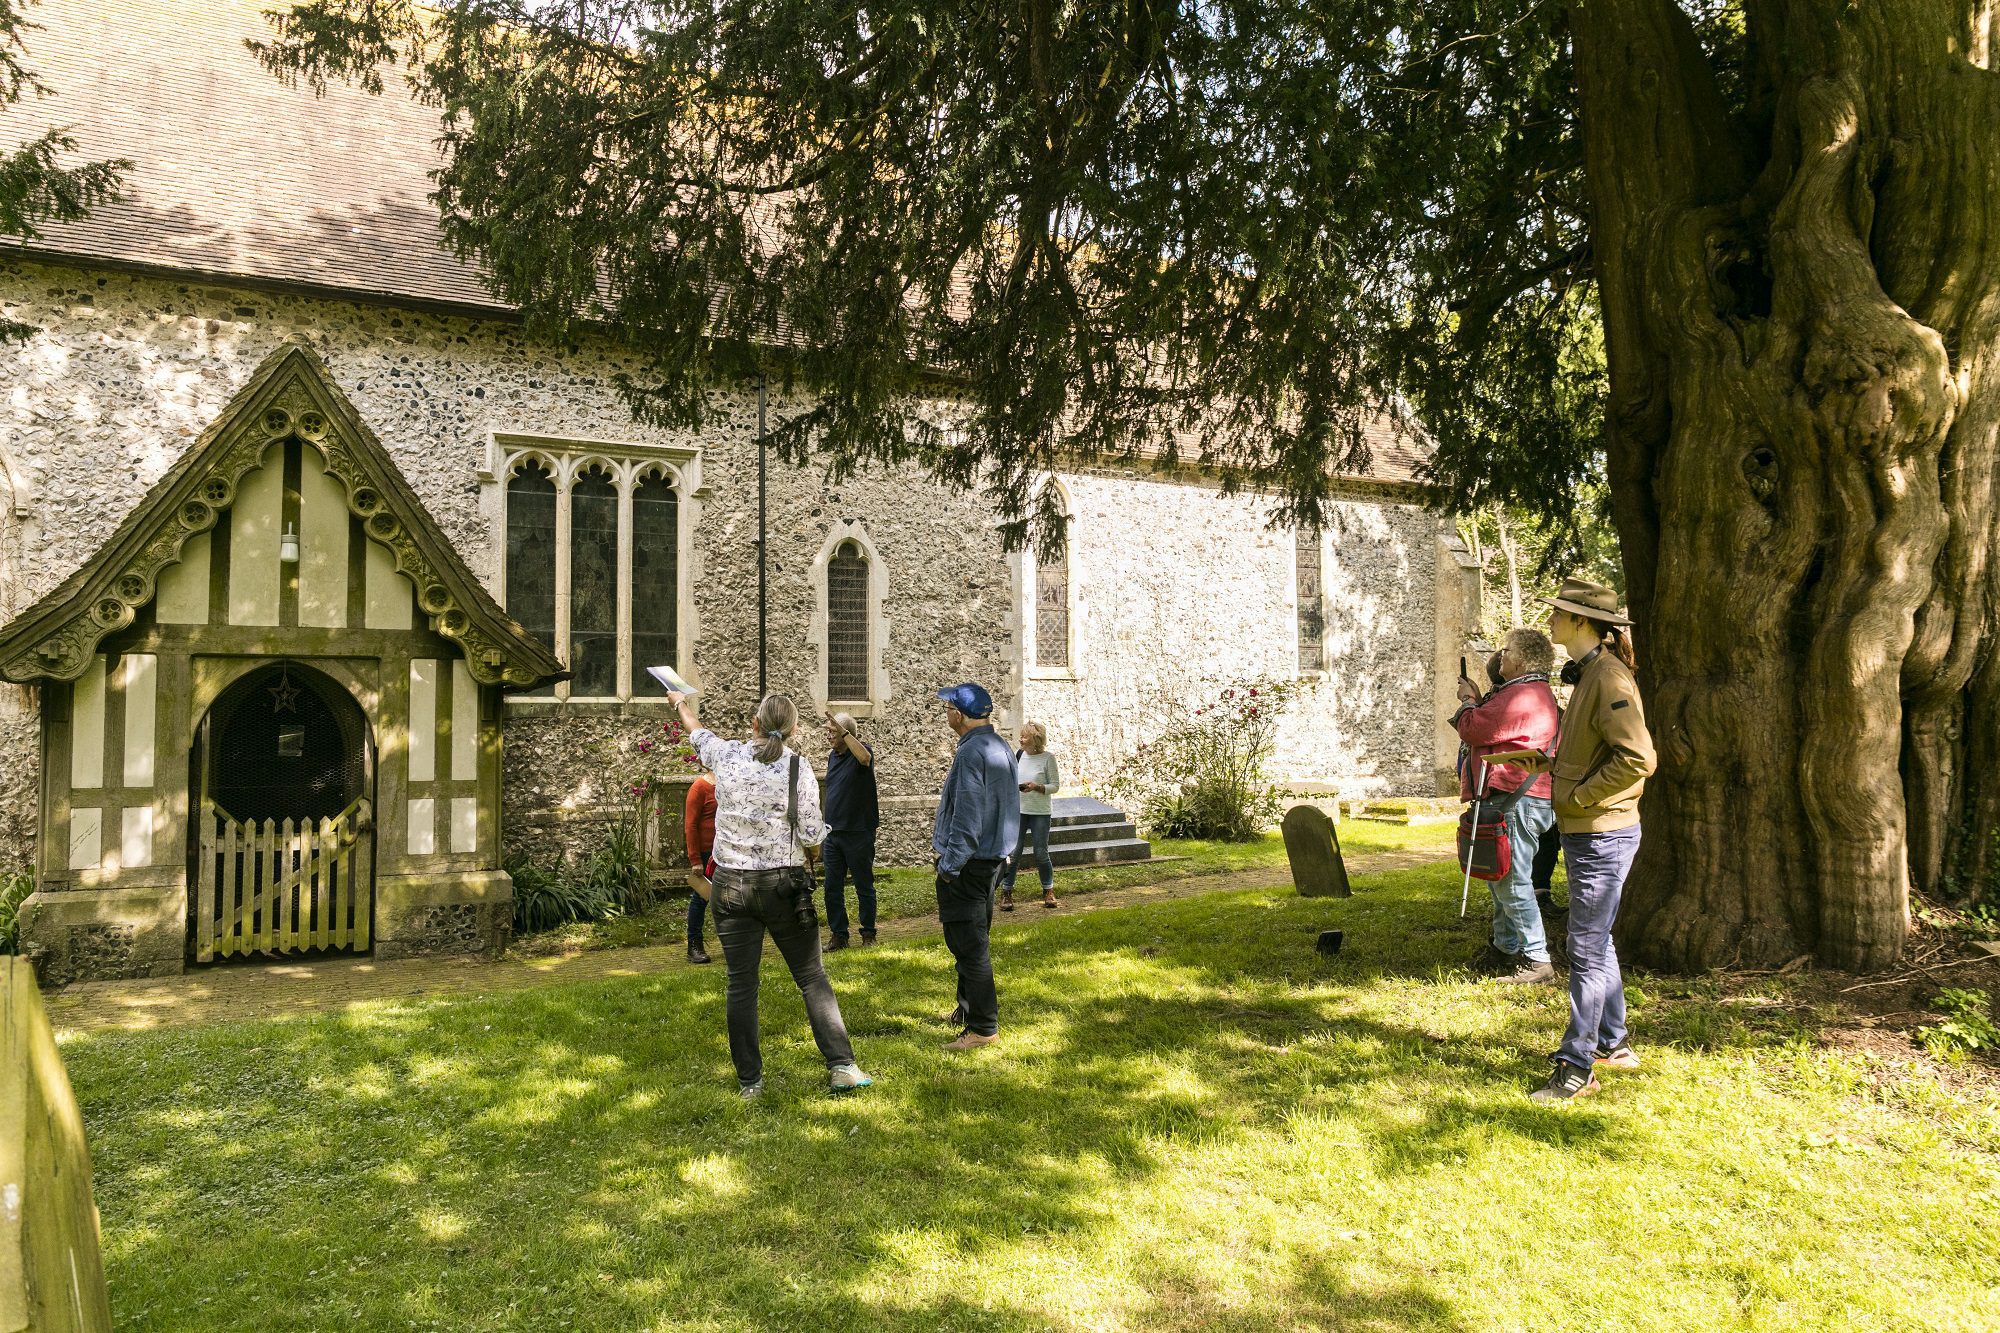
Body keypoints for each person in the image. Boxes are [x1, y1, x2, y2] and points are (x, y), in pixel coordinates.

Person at [1498, 577, 1657, 1102]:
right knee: (1597, 940)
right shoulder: (1589, 675)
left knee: (1584, 946)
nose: (1551, 621)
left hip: (1603, 832)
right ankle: (1613, 1045)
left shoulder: (1609, 677)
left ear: (1582, 623)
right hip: (1589, 828)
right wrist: (1551, 766)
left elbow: (1638, 759)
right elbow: (1594, 750)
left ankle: (1576, 1063)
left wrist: (1583, 796)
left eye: (1560, 613)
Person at [670, 689, 872, 1099]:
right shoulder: (798, 767)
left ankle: (750, 1084)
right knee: (812, 977)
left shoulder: (725, 756)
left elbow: (695, 731)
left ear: (754, 724)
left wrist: (679, 703)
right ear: (794, 730)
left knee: (741, 984)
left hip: (729, 887)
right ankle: (841, 1067)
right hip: (783, 886)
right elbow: (814, 833)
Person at [1453, 627, 1562, 984]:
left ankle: (1536, 958)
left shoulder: (1523, 695)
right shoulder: (1526, 692)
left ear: (1524, 659)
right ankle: (1505, 948)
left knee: (1513, 882)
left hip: (1517, 798)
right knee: (1501, 877)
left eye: (1508, 650)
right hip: (1518, 797)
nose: (1502, 656)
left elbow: (1476, 728)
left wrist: (1469, 701)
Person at [932, 682, 1019, 1051]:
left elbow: (967, 819)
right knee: (973, 938)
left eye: (948, 708)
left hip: (968, 865)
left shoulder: (971, 754)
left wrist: (949, 868)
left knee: (969, 946)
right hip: (993, 861)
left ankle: (983, 1028)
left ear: (959, 715)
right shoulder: (999, 746)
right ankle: (967, 1010)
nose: (946, 713)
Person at [819, 711, 879, 950]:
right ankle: (839, 935)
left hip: (858, 832)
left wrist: (844, 731)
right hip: (834, 833)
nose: (828, 736)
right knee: (832, 887)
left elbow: (864, 758)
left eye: (832, 732)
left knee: (863, 885)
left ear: (846, 734)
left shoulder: (863, 752)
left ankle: (868, 933)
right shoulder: (833, 757)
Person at [1001, 721, 1061, 911]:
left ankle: (1048, 890)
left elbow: (1055, 786)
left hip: (1040, 813)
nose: (1020, 739)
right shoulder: (1019, 755)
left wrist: (1037, 787)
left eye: (1025, 736)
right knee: (1014, 853)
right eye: (1021, 735)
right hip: (1018, 811)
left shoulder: (1048, 758)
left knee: (1041, 853)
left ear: (1036, 740)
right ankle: (1006, 892)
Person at [682, 771, 717, 964]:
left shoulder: (728, 783)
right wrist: (695, 859)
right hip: (706, 853)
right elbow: (690, 826)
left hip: (726, 851)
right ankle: (694, 946)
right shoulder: (699, 788)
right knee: (701, 898)